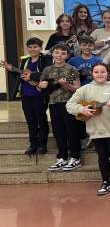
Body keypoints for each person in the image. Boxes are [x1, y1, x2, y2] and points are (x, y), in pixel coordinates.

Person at [66, 63, 110, 195]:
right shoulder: (85, 89)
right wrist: (82, 109)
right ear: (92, 74)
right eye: (96, 72)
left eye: (102, 72)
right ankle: (106, 182)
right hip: (95, 131)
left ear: (108, 73)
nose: (99, 74)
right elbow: (69, 105)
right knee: (102, 157)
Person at [6, 37, 52, 155]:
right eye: (30, 47)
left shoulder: (45, 59)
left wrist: (31, 77)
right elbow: (20, 76)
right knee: (30, 121)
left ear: (41, 48)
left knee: (41, 120)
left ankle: (42, 145)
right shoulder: (24, 61)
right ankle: (33, 145)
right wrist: (12, 70)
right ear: (27, 48)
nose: (32, 49)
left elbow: (47, 73)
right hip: (26, 95)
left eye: (35, 47)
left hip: (39, 94)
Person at [40, 44, 81, 172]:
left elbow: (77, 89)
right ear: (52, 54)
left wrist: (66, 85)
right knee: (58, 132)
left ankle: (75, 157)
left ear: (68, 56)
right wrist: (41, 85)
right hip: (53, 104)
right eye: (57, 53)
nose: (59, 55)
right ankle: (62, 157)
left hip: (69, 104)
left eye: (63, 53)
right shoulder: (47, 69)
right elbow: (41, 87)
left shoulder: (71, 69)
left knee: (71, 131)